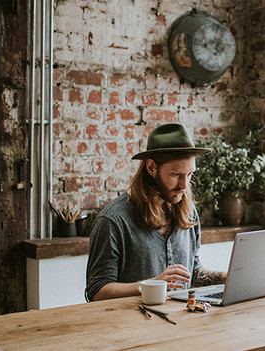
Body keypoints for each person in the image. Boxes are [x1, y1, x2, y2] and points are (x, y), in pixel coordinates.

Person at [85, 123, 226, 302]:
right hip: (131, 327)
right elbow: (97, 291)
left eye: (190, 174)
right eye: (176, 175)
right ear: (151, 168)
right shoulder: (112, 221)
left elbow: (193, 272)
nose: (184, 185)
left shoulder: (188, 213)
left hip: (182, 325)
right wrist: (151, 284)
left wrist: (224, 276)